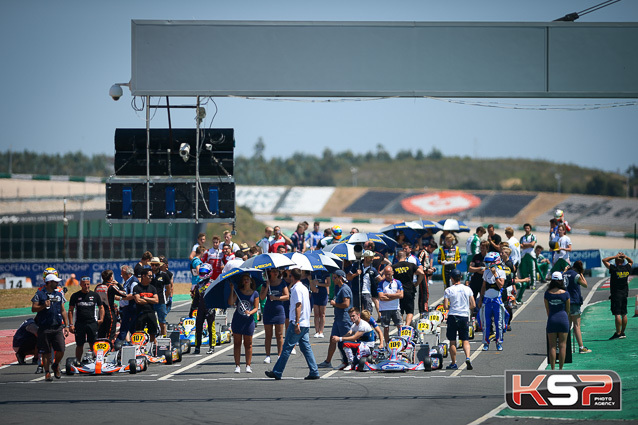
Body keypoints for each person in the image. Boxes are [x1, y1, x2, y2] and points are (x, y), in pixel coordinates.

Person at [265, 268, 320, 380]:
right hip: (305, 322)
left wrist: (297, 322)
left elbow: (298, 305)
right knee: (306, 347)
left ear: (292, 277)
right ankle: (314, 370)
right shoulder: (303, 287)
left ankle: (277, 371)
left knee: (286, 348)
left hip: (297, 322)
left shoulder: (296, 289)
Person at [31, 274, 69, 381]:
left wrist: (66, 325)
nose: (57, 283)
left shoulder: (59, 294)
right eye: (55, 282)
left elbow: (63, 310)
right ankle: (47, 372)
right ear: (49, 282)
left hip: (57, 327)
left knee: (61, 349)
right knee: (46, 352)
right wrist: (43, 306)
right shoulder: (39, 294)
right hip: (44, 327)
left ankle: (56, 365)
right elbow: (33, 308)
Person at [317, 270, 352, 369]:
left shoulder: (345, 289)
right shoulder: (339, 288)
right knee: (333, 339)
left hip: (344, 319)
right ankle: (328, 361)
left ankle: (349, 361)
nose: (333, 280)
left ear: (340, 278)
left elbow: (346, 304)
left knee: (345, 341)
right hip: (338, 319)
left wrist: (335, 304)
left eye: (335, 277)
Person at [443, 269, 476, 370]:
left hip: (453, 315)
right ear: (460, 277)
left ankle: (453, 363)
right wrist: (466, 308)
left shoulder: (448, 290)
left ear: (451, 278)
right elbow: (473, 304)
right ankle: (468, 357)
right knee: (465, 339)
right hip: (464, 316)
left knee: (452, 341)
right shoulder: (467, 289)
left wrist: (451, 307)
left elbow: (445, 306)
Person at [228, 273, 260, 373]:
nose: (246, 281)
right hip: (238, 319)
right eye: (244, 279)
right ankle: (237, 365)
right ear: (242, 282)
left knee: (248, 344)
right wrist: (232, 289)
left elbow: (256, 307)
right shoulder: (238, 291)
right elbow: (231, 302)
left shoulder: (254, 293)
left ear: (251, 281)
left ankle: (248, 365)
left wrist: (250, 312)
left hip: (249, 321)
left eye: (248, 279)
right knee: (237, 343)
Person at [68, 276, 105, 361]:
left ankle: (96, 360)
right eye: (84, 284)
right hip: (80, 324)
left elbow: (101, 307)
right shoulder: (75, 296)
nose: (86, 286)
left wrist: (101, 319)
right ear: (81, 284)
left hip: (92, 323)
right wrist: (71, 324)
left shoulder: (95, 295)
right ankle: (77, 361)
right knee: (80, 344)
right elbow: (70, 310)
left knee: (93, 343)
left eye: (88, 284)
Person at [478, 252, 507, 351]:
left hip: (497, 300)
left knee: (498, 323)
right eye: (486, 262)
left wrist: (495, 274)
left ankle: (499, 342)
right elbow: (483, 286)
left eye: (489, 262)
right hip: (487, 299)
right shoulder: (486, 272)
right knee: (486, 322)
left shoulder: (501, 272)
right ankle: (486, 343)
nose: (487, 264)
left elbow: (501, 285)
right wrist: (481, 299)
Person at [602, 252, 634, 340]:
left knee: (617, 314)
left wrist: (614, 256)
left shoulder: (614, 268)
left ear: (616, 261)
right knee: (624, 313)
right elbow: (631, 262)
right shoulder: (626, 267)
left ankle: (618, 332)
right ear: (623, 261)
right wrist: (626, 257)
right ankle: (623, 332)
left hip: (616, 294)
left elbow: (604, 260)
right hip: (624, 293)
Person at [261, 268, 289, 363]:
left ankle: (279, 355)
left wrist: (276, 298)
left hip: (279, 311)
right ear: (270, 272)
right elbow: (262, 297)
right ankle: (267, 355)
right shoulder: (266, 283)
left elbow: (287, 296)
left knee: (279, 334)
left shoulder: (282, 283)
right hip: (268, 311)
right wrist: (267, 286)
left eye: (277, 271)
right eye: (273, 271)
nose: (275, 273)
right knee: (268, 335)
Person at [564, 261, 592, 353]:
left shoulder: (564, 274)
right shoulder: (576, 275)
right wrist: (581, 274)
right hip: (574, 301)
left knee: (567, 325)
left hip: (565, 301)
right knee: (576, 325)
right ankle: (581, 347)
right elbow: (585, 284)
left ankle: (565, 347)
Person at [544, 271, 570, 370]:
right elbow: (567, 309)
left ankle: (553, 369)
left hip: (552, 319)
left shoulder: (547, 293)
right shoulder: (566, 294)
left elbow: (547, 309)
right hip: (563, 319)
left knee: (552, 346)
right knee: (563, 345)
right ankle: (561, 369)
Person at [392, 250, 424, 327]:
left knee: (400, 310)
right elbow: (422, 273)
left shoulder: (394, 266)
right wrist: (417, 283)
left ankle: (401, 326)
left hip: (399, 291)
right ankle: (407, 326)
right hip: (410, 289)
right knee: (410, 311)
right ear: (406, 257)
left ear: (397, 257)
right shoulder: (411, 265)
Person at [95, 269, 126, 343]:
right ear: (111, 278)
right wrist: (118, 284)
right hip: (110, 313)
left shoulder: (98, 287)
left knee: (101, 334)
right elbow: (124, 293)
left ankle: (99, 351)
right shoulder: (111, 286)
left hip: (101, 314)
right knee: (110, 335)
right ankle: (109, 350)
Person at [191, 264, 217, 355]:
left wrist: (213, 307)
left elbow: (215, 297)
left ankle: (212, 346)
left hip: (210, 309)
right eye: (201, 272)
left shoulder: (213, 283)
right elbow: (195, 299)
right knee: (198, 328)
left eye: (204, 272)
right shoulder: (198, 285)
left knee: (211, 328)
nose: (202, 274)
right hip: (200, 310)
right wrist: (192, 310)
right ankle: (197, 347)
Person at [377, 265, 404, 347]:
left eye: (389, 274)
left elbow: (401, 295)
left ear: (392, 272)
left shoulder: (398, 282)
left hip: (395, 308)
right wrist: (395, 296)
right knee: (386, 327)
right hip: (385, 309)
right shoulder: (381, 283)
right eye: (386, 274)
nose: (387, 276)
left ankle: (402, 344)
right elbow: (381, 297)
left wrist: (388, 295)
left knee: (400, 326)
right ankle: (387, 344)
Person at [149, 257, 170, 337]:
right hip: (150, 301)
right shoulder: (148, 274)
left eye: (156, 265)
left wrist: (166, 298)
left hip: (161, 301)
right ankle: (151, 339)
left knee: (162, 322)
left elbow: (168, 289)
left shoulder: (164, 275)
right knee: (151, 321)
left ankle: (163, 339)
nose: (154, 267)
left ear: (159, 265)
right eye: (152, 265)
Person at [117, 268, 138, 342]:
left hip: (130, 308)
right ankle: (132, 343)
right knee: (131, 329)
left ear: (129, 274)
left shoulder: (133, 282)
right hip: (126, 308)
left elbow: (133, 295)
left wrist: (120, 298)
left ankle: (118, 344)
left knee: (124, 328)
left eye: (123, 275)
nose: (122, 276)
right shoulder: (127, 281)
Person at [417, 240, 437, 315]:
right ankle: (423, 310)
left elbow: (426, 264)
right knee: (424, 292)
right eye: (432, 249)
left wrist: (431, 269)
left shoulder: (427, 253)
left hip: (425, 274)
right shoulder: (422, 252)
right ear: (429, 247)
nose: (432, 251)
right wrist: (426, 270)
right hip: (422, 274)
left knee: (425, 292)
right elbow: (419, 264)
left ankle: (424, 309)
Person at [518, 223, 537, 298]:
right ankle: (527, 284)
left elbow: (532, 244)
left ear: (530, 229)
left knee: (532, 270)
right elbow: (521, 246)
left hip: (531, 254)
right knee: (524, 270)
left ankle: (533, 283)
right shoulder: (522, 237)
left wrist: (525, 245)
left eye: (528, 228)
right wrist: (527, 245)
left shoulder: (533, 236)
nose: (527, 230)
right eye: (525, 228)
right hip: (524, 255)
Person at [311, 274, 330, 338]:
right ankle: (317, 331)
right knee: (316, 313)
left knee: (322, 314)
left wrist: (319, 284)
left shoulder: (324, 272)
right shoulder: (313, 272)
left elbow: (328, 284)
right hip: (315, 293)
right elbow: (311, 281)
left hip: (323, 293)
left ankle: (321, 331)